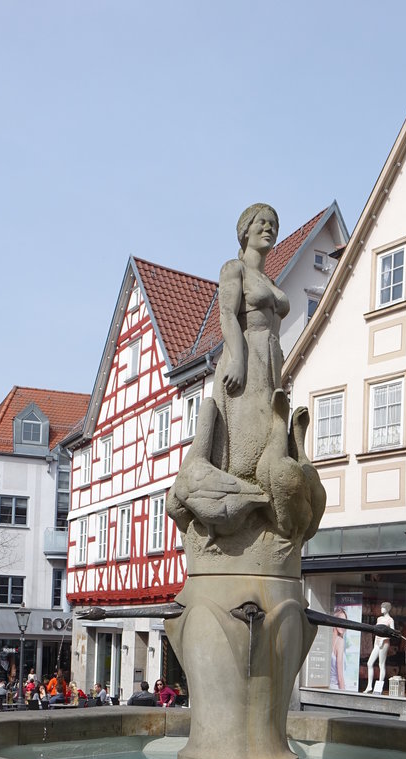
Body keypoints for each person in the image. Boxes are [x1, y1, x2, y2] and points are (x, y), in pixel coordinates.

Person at [166, 204, 324, 553]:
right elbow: (227, 315)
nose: (269, 228)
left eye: (273, 224)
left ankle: (266, 503)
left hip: (271, 359)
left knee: (273, 428)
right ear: (245, 230)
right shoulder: (233, 268)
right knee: (246, 436)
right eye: (261, 223)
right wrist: (236, 359)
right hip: (247, 354)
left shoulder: (269, 280)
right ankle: (246, 499)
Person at [363, 602, 395, 693]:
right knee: (369, 663)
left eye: (383, 607)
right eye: (381, 607)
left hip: (384, 643)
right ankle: (369, 686)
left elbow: (392, 634)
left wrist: (383, 639)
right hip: (377, 642)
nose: (381, 609)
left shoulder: (390, 620)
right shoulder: (379, 618)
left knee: (381, 664)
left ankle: (379, 687)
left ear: (387, 609)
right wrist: (376, 642)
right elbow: (377, 631)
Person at [330, 607, 347, 690]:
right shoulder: (340, 641)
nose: (343, 625)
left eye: (345, 622)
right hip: (336, 689)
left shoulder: (327, 640)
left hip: (326, 687)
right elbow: (340, 677)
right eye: (341, 621)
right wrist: (344, 696)